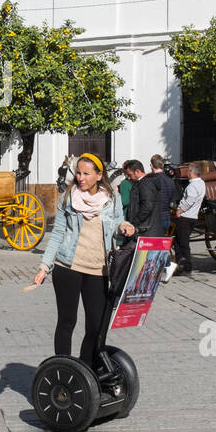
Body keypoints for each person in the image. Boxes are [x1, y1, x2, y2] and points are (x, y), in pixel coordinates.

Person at [29, 153, 133, 365]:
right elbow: (57, 233)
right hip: (68, 268)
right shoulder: (68, 198)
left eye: (86, 173)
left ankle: (83, 370)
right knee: (67, 322)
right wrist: (44, 266)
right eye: (78, 172)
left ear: (98, 175)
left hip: (99, 270)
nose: (80, 177)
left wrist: (125, 226)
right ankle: (63, 369)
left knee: (96, 326)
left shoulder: (111, 199)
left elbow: (117, 225)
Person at [167, 161, 206, 280]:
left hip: (185, 217)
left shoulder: (193, 186)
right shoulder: (202, 183)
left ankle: (186, 267)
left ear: (192, 173)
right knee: (179, 241)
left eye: (188, 171)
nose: (187, 173)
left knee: (182, 243)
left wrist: (180, 210)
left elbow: (190, 200)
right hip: (193, 217)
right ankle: (181, 265)